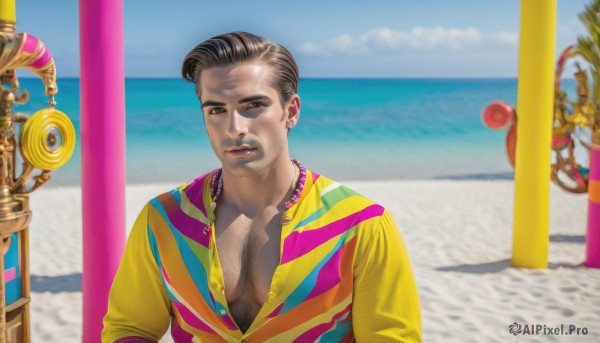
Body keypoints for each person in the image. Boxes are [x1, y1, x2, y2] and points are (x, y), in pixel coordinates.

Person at [102, 31, 421, 342]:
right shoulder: (164, 220)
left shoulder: (360, 225)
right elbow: (130, 328)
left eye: (252, 105)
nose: (234, 128)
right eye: (216, 110)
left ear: (291, 111)